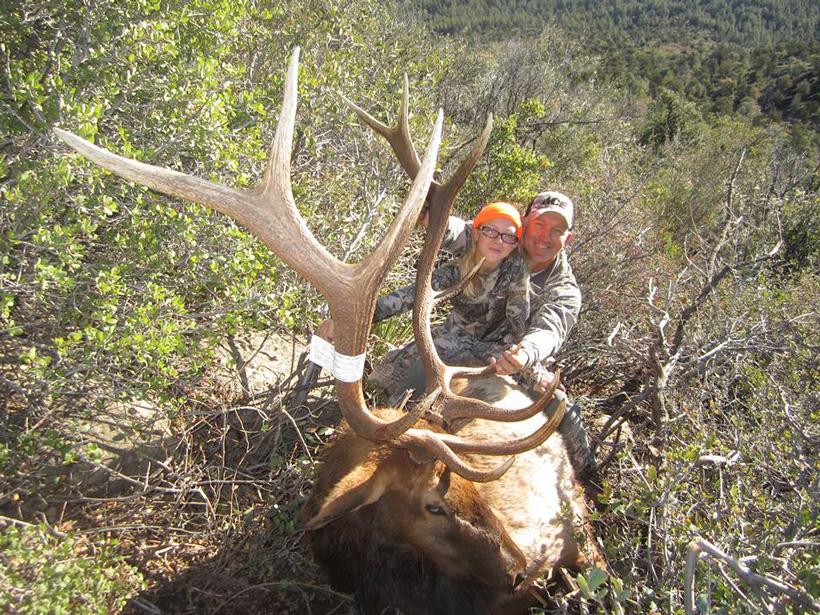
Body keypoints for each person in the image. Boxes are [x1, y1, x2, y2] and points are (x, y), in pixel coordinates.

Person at [420, 190, 595, 479]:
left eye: (558, 231)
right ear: (524, 222)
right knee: (401, 379)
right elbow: (459, 230)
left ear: (568, 239)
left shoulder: (564, 289)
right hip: (457, 345)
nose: (545, 237)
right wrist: (432, 218)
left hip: (514, 362)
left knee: (564, 412)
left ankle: (587, 487)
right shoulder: (501, 239)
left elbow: (551, 329)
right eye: (539, 224)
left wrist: (526, 354)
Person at [318, 201, 530, 402]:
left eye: (508, 237)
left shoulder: (517, 272)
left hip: (493, 350)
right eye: (490, 231)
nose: (498, 240)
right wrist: (352, 321)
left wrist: (528, 366)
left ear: (515, 245)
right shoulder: (456, 271)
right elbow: (408, 297)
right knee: (400, 364)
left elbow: (518, 326)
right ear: (475, 233)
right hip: (454, 338)